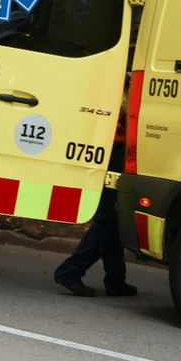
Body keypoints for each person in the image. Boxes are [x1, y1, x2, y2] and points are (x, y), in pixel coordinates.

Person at [54, 115, 137, 298]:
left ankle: (115, 279)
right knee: (109, 219)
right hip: (117, 144)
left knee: (115, 221)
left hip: (118, 143)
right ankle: (70, 271)